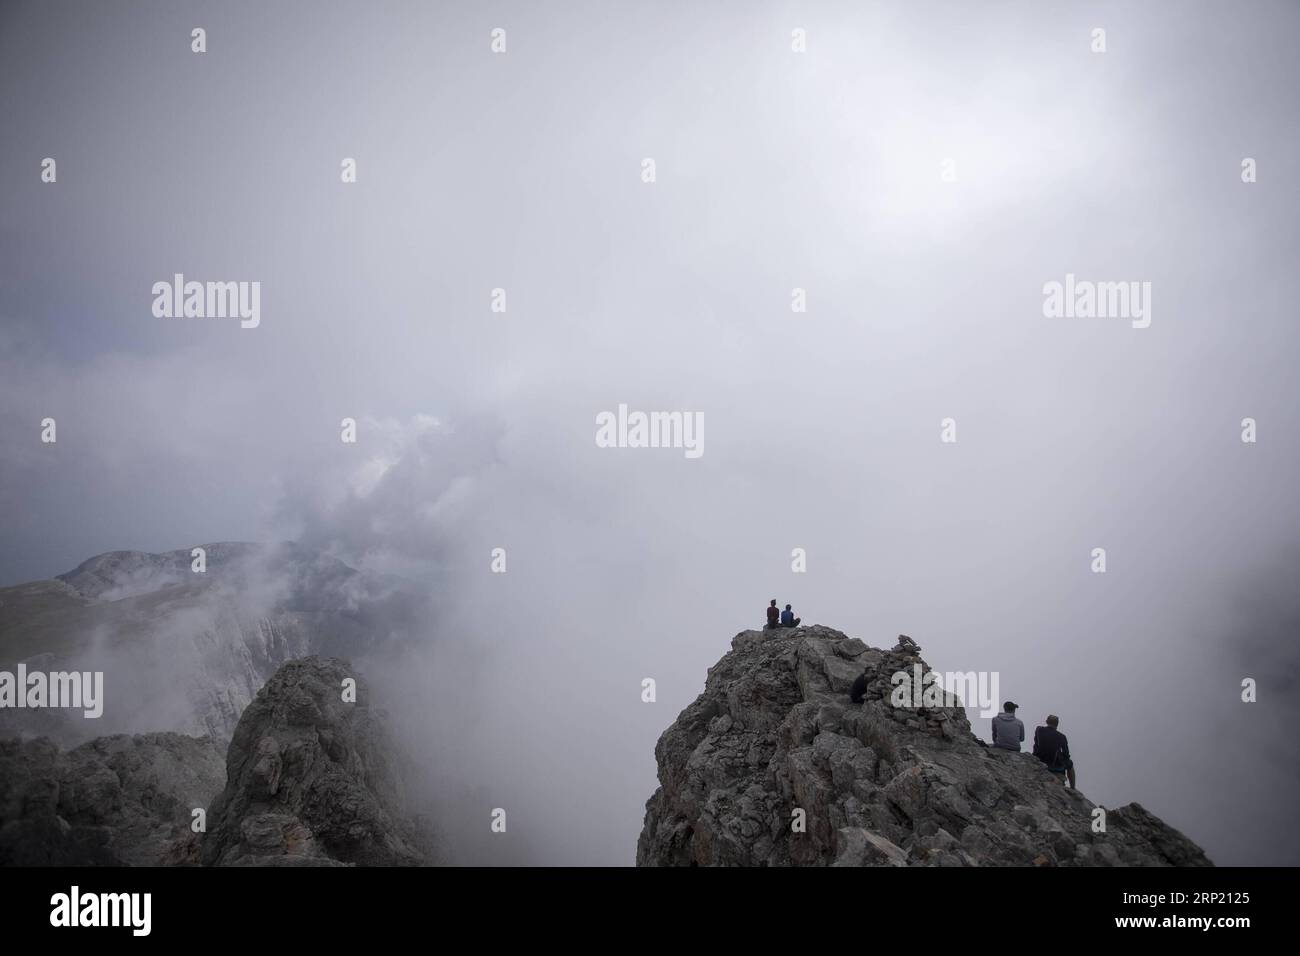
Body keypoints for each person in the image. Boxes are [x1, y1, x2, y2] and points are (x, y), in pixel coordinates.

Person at [1032, 714, 1077, 788]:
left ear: (1046, 721)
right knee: (1070, 764)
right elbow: (1066, 755)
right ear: (1057, 724)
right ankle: (1073, 788)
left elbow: (1036, 744)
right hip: (1054, 766)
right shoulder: (1062, 737)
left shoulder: (1039, 729)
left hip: (1039, 760)